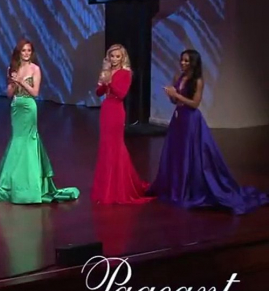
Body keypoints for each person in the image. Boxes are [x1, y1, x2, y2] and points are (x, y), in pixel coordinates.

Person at [147, 49, 269, 214]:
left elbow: (195, 104)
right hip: (178, 119)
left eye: (186, 61)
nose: (182, 63)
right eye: (182, 60)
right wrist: (171, 95)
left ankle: (189, 189)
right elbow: (175, 100)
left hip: (191, 120)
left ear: (194, 63)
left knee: (190, 154)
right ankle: (175, 187)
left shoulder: (198, 81)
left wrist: (177, 95)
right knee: (176, 153)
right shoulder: (178, 77)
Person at [0, 39, 80, 204]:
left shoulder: (35, 69)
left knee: (29, 140)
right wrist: (13, 83)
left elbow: (35, 92)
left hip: (29, 107)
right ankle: (10, 183)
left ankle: (31, 186)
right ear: (19, 52)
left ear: (32, 53)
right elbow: (8, 94)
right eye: (23, 51)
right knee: (17, 140)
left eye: (29, 51)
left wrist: (21, 82)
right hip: (16, 107)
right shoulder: (12, 69)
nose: (26, 54)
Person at [91, 44, 153, 204]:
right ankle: (106, 188)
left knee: (116, 146)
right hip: (106, 109)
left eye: (117, 56)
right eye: (112, 56)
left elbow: (121, 93)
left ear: (123, 58)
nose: (114, 60)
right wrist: (103, 82)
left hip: (117, 111)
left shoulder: (126, 73)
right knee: (105, 147)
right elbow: (98, 93)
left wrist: (110, 82)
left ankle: (119, 188)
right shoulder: (106, 72)